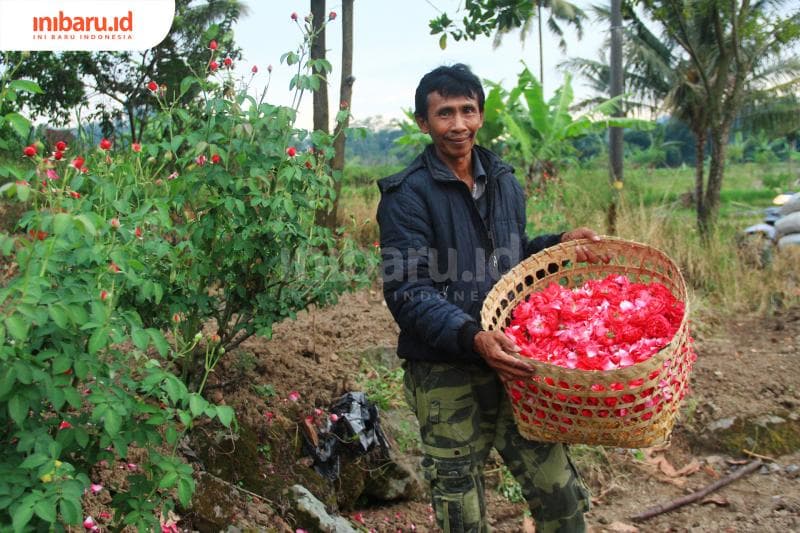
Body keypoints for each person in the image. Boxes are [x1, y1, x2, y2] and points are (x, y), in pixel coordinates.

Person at [376, 63, 604, 533]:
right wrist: (473, 337)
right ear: (424, 122)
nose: (457, 124)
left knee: (560, 494)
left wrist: (559, 245)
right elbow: (408, 290)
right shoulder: (407, 196)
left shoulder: (503, 180)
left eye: (467, 110)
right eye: (444, 114)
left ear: (480, 115)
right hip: (447, 373)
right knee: (462, 512)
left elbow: (510, 257)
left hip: (518, 365)